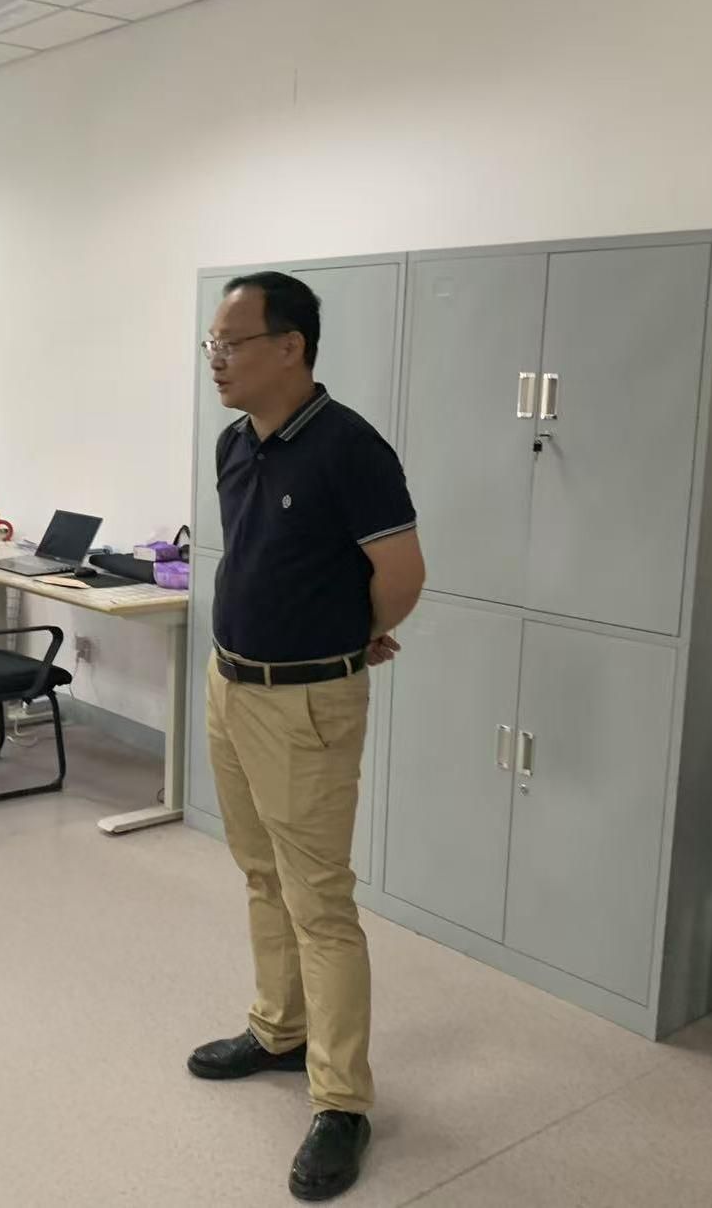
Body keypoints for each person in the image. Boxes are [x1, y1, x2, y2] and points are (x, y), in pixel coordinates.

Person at [187, 272, 425, 1202]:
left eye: (231, 343)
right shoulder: (235, 443)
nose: (216, 360)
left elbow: (401, 574)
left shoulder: (349, 449)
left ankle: (341, 1101)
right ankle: (279, 1028)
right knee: (260, 873)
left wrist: (350, 635)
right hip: (231, 685)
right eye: (211, 344)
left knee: (319, 902)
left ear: (290, 347)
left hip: (305, 703)